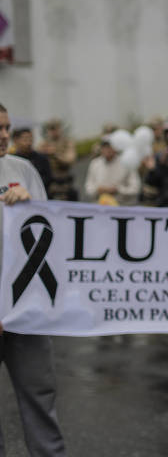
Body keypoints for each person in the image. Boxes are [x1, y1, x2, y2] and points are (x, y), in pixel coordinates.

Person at [0, 103, 67, 456]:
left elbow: (50, 231)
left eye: (7, 127)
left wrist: (29, 207)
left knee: (40, 397)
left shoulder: (22, 169)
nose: (4, 135)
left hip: (25, 309)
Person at [84, 136, 141, 206]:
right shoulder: (95, 163)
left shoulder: (126, 162)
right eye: (105, 146)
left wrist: (118, 190)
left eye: (111, 146)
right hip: (99, 207)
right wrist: (98, 190)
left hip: (122, 207)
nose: (108, 149)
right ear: (101, 148)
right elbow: (88, 187)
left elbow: (135, 188)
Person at [36, 118, 77, 201]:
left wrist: (55, 155)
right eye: (51, 129)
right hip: (50, 183)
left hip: (65, 181)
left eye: (55, 129)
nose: (54, 132)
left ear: (60, 129)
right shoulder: (43, 144)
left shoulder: (67, 142)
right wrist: (42, 153)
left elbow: (70, 159)